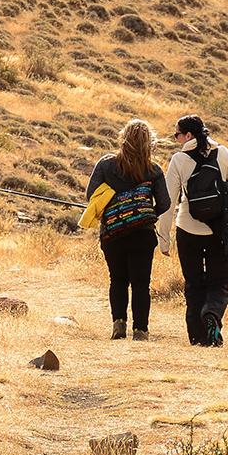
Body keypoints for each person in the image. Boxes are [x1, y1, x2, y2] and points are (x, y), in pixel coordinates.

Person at [158, 113, 228, 347]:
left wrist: (163, 239)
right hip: (219, 230)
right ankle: (213, 314)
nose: (176, 139)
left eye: (176, 134)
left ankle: (198, 338)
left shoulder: (178, 160)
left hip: (187, 229)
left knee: (194, 284)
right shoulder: (223, 153)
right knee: (219, 282)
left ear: (188, 135)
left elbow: (168, 203)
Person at [84, 119, 171, 341]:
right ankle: (140, 330)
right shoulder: (153, 170)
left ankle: (119, 324)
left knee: (118, 279)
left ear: (123, 138)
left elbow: (90, 195)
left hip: (112, 233)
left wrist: (115, 207)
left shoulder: (105, 164)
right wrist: (144, 213)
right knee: (141, 283)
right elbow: (165, 203)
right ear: (149, 143)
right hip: (142, 234)